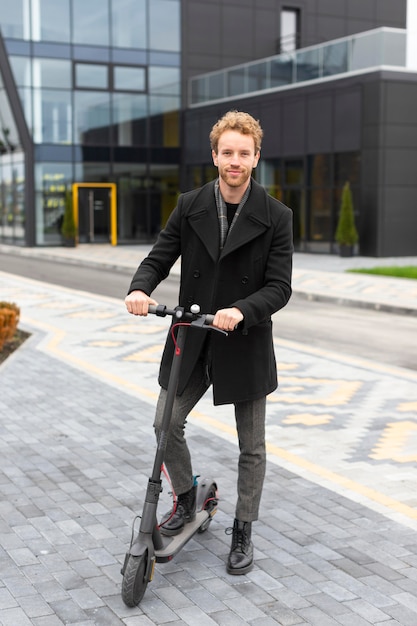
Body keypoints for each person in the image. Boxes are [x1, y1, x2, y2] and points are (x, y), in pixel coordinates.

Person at [125, 110, 293, 575]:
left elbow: (280, 287)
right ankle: (185, 498)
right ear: (214, 155)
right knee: (165, 423)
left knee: (251, 446)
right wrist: (141, 288)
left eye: (244, 153)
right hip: (194, 338)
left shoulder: (277, 216)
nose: (234, 160)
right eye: (227, 152)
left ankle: (243, 527)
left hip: (244, 343)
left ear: (256, 157)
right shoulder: (189, 204)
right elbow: (160, 255)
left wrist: (242, 310)